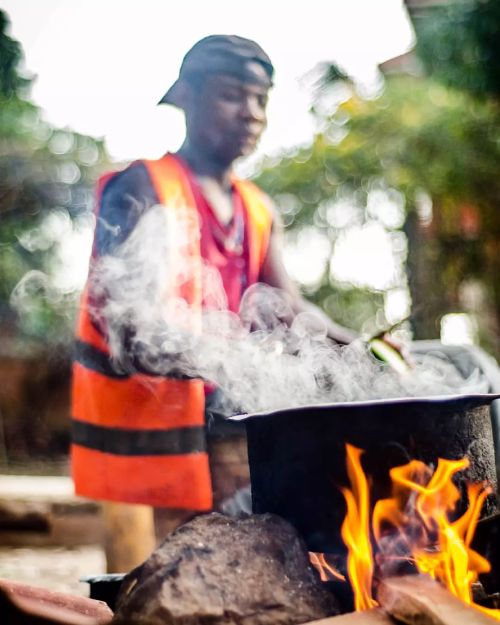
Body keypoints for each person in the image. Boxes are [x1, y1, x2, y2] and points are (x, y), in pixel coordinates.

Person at [70, 35, 356, 571]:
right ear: (187, 97)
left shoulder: (258, 206)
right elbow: (131, 333)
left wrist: (357, 347)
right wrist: (240, 358)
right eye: (231, 95)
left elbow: (288, 307)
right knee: (155, 589)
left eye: (261, 100)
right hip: (150, 446)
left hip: (231, 428)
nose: (250, 113)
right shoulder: (142, 185)